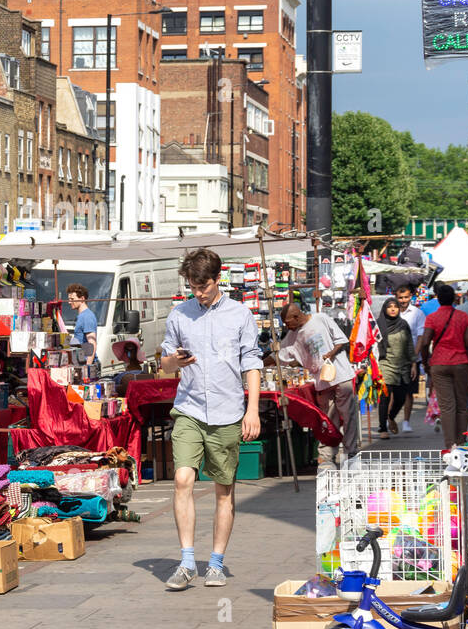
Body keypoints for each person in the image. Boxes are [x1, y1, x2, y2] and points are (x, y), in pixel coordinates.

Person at [159, 248, 262, 591]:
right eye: (193, 285)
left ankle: (215, 563)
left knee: (223, 491)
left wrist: (252, 410)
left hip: (228, 411)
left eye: (203, 285)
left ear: (218, 280)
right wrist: (175, 361)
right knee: (182, 479)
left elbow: (252, 363)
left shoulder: (240, 314)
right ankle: (187, 561)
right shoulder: (179, 315)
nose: (198, 292)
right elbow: (164, 364)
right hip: (189, 407)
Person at [277, 301, 359, 463]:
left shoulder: (320, 318)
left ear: (296, 316)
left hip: (341, 374)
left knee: (348, 415)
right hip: (322, 381)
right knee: (328, 418)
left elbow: (341, 339)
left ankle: (351, 451)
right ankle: (327, 453)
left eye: (287, 322)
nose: (287, 326)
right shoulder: (293, 336)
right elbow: (279, 355)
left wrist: (331, 353)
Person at [417, 283, 468, 448]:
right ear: (454, 298)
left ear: (438, 299)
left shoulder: (432, 318)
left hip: (439, 364)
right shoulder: (463, 317)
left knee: (447, 406)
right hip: (461, 363)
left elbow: (424, 343)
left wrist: (425, 362)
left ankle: (450, 446)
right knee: (462, 405)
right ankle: (462, 441)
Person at [376, 297, 418, 436]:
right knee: (385, 397)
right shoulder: (379, 325)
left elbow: (409, 345)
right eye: (390, 306)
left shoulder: (403, 324)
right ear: (385, 309)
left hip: (403, 366)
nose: (393, 309)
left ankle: (391, 417)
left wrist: (413, 364)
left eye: (395, 306)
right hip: (385, 364)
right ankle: (383, 428)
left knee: (401, 397)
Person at [394, 284, 426, 432]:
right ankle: (391, 419)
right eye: (400, 297)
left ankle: (406, 421)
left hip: (411, 359)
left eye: (406, 297)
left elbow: (420, 337)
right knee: (393, 391)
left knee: (408, 392)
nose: (403, 300)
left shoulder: (417, 314)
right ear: (396, 297)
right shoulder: (391, 312)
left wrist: (414, 359)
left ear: (410, 297)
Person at [66, 283, 98, 360]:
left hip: (86, 364)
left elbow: (92, 343)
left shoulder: (87, 316)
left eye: (72, 299)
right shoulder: (82, 316)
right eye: (69, 299)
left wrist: (87, 367)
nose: (69, 302)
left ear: (82, 298)